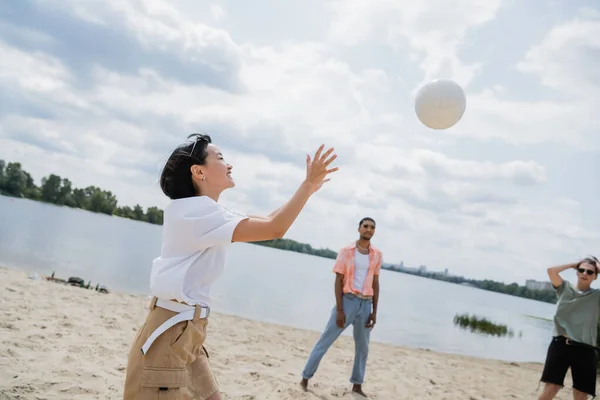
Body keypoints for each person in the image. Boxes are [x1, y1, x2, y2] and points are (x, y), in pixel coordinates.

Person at [122, 133, 338, 400]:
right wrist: (307, 185)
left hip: (188, 333)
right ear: (199, 171)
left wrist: (310, 187)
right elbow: (275, 228)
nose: (229, 164)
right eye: (221, 158)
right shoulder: (195, 213)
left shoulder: (207, 211)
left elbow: (271, 219)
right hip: (170, 333)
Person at [300, 217, 382, 398]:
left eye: (372, 227)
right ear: (359, 229)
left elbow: (376, 283)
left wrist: (374, 312)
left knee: (363, 348)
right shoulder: (347, 251)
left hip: (366, 304)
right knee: (325, 341)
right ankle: (305, 378)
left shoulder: (377, 254)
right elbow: (338, 280)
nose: (369, 230)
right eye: (366, 226)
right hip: (347, 301)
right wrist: (339, 309)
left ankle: (357, 385)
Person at [538, 256, 600, 400]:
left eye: (590, 272)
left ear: (596, 276)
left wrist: (598, 266)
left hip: (585, 349)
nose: (585, 273)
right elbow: (551, 271)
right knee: (552, 387)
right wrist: (574, 264)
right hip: (560, 345)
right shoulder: (564, 288)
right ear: (577, 271)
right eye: (581, 270)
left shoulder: (597, 296)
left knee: (580, 394)